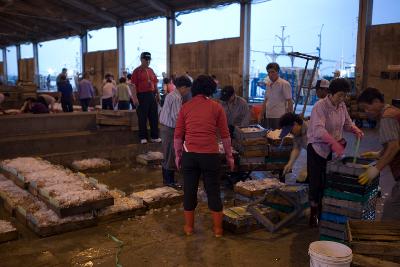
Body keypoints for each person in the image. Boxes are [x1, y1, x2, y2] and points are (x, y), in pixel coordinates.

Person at [174, 75, 235, 237]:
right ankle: (218, 230)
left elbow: (178, 135)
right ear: (211, 89)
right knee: (213, 190)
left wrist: (177, 156)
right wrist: (230, 156)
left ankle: (188, 228)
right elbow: (225, 135)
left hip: (190, 155)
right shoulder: (216, 107)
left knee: (189, 190)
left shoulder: (185, 107)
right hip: (210, 155)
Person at [307, 78, 364, 227]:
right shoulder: (320, 107)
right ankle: (313, 214)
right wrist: (333, 142)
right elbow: (318, 130)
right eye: (340, 95)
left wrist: (354, 129)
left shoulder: (342, 105)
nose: (342, 98)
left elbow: (347, 123)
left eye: (345, 95)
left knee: (328, 181)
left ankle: (323, 211)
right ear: (330, 93)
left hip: (333, 149)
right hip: (317, 149)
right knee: (315, 183)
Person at [357, 87, 400, 220]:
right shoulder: (393, 111)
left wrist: (376, 169)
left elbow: (394, 147)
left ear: (376, 101)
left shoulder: (387, 117)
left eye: (367, 107)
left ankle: (388, 239)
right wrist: (378, 154)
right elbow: (394, 142)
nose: (366, 112)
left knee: (391, 210)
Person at [159, 75, 192, 187]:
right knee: (170, 155)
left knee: (168, 154)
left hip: (165, 127)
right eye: (187, 89)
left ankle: (167, 180)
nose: (187, 92)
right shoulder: (176, 97)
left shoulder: (171, 94)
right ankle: (169, 182)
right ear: (183, 87)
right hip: (170, 129)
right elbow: (176, 117)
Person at [131, 52, 161, 144]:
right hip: (141, 96)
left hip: (151, 95)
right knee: (142, 117)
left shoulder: (151, 70)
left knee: (154, 117)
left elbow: (155, 83)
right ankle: (143, 137)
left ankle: (154, 136)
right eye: (146, 60)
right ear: (141, 59)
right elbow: (133, 86)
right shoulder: (136, 71)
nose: (148, 62)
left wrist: (158, 94)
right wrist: (135, 99)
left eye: (149, 60)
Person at [259, 62, 293, 129]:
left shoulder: (284, 84)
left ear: (278, 72)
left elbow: (289, 101)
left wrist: (290, 118)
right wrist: (261, 114)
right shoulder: (268, 84)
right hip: (268, 115)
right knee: (269, 135)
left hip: (279, 116)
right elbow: (266, 100)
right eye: (268, 72)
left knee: (278, 137)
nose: (270, 74)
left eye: (273, 72)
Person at [279, 112, 309, 183]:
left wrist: (307, 168)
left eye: (290, 131)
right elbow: (296, 148)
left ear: (295, 124)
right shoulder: (297, 133)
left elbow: (316, 152)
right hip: (313, 156)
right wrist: (290, 163)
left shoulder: (311, 130)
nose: (290, 133)